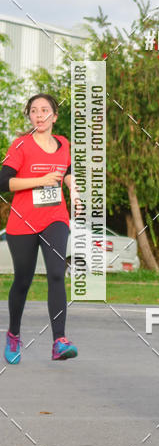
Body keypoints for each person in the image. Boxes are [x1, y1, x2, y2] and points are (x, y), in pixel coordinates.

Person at [1, 94, 79, 363]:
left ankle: (59, 341)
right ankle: (13, 334)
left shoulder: (64, 144)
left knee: (57, 273)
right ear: (30, 116)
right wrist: (40, 180)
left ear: (54, 116)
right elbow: (3, 182)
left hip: (55, 218)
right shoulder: (21, 145)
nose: (39, 115)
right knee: (23, 280)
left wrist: (74, 190)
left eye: (45, 110)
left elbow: (67, 171)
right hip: (22, 221)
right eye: (34, 110)